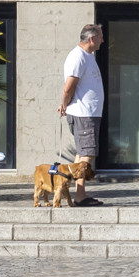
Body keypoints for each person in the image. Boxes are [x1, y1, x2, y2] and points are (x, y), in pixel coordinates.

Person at [58, 23, 106, 206]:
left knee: (82, 153)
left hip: (88, 113)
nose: (103, 40)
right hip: (84, 113)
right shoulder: (78, 57)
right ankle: (80, 195)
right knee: (87, 153)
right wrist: (63, 104)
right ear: (92, 38)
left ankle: (73, 192)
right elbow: (69, 86)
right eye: (101, 36)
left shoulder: (87, 56)